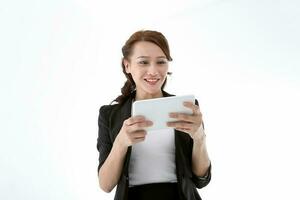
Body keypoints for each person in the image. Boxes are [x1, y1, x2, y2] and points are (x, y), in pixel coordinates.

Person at [97, 30, 211, 200]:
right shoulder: (109, 114)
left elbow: (201, 179)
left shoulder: (186, 107)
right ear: (127, 65)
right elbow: (106, 185)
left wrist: (199, 137)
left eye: (161, 62)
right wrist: (120, 143)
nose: (153, 71)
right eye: (143, 62)